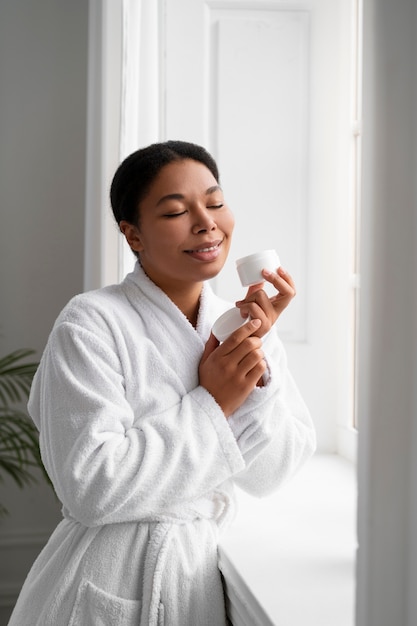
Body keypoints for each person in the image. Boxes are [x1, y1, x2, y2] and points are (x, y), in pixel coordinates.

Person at [8, 140, 316, 626]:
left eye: (214, 203)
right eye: (176, 211)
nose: (206, 222)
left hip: (194, 581)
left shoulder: (239, 324)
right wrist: (213, 402)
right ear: (133, 235)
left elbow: (271, 474)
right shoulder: (91, 323)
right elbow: (90, 487)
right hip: (104, 580)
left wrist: (254, 366)